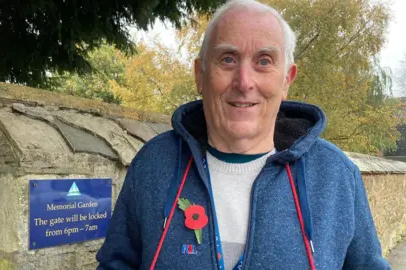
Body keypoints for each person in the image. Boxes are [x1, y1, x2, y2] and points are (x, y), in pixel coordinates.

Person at [96, 0, 391, 269]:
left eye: (264, 61)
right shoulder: (153, 165)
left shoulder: (335, 176)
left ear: (287, 79)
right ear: (200, 74)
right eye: (227, 59)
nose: (244, 81)